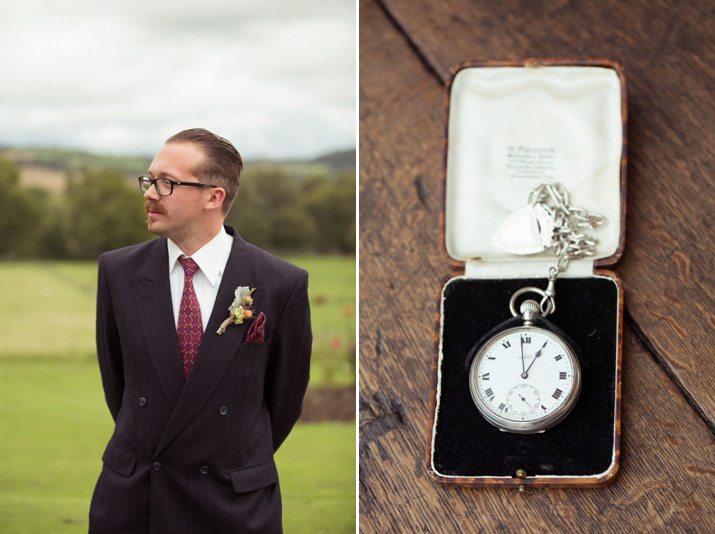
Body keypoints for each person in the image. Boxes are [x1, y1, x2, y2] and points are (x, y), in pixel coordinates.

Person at [89, 128, 312, 534]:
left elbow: (284, 401)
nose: (150, 193)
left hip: (234, 507)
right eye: (150, 179)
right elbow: (118, 386)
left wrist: (231, 456)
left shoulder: (282, 282)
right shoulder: (117, 271)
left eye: (167, 183)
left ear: (214, 197)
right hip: (135, 502)